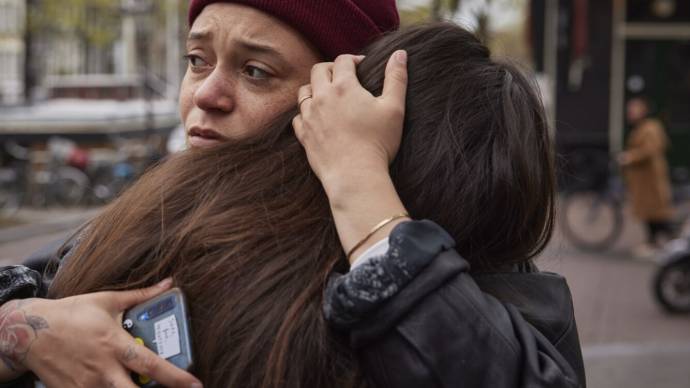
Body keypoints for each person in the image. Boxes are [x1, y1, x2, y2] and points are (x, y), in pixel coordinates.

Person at [0, 4, 584, 388]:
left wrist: (362, 189)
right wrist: (28, 328)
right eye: (197, 60)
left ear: (338, 99)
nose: (207, 93)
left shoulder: (403, 254)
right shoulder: (161, 206)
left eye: (256, 71)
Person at [618, 97, 674, 258]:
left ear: (643, 110)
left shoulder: (650, 127)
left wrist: (629, 157)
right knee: (650, 213)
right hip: (643, 180)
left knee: (656, 213)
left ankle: (661, 243)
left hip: (650, 180)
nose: (630, 113)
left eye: (633, 109)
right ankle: (655, 241)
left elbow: (650, 150)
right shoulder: (643, 127)